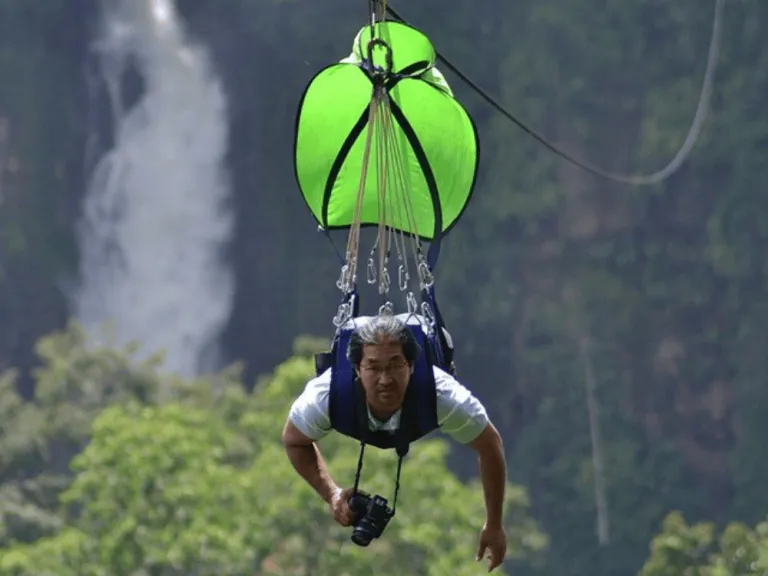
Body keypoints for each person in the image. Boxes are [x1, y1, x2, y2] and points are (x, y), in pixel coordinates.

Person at [282, 313, 508, 572]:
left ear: (411, 365)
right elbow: (293, 440)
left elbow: (490, 445)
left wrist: (494, 524)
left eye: (394, 365)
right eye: (374, 367)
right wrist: (332, 494)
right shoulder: (326, 398)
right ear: (357, 369)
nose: (385, 379)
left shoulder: (443, 398)